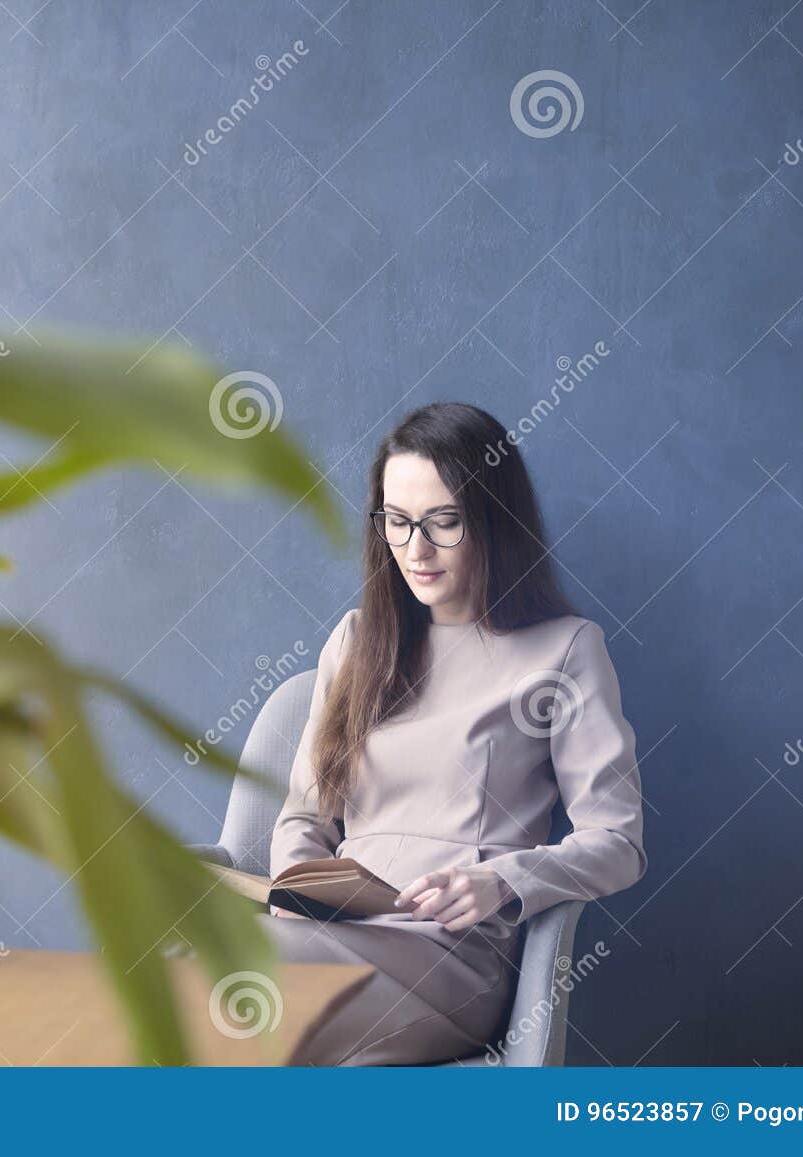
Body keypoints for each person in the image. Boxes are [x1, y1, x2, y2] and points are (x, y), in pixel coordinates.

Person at [264, 401, 647, 1065]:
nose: (417, 549)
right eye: (398, 522)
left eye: (444, 521)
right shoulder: (358, 641)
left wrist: (502, 879)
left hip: (450, 955)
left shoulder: (563, 650)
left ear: (494, 519)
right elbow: (304, 814)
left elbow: (618, 841)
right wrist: (297, 885)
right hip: (336, 925)